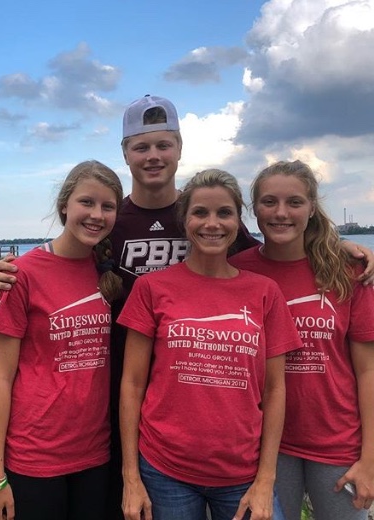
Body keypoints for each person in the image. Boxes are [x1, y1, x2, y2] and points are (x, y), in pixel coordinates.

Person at [0, 96, 374, 519]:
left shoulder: (206, 219)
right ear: (126, 154)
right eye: (141, 146)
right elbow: (64, 263)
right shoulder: (112, 222)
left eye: (163, 145)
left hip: (204, 418)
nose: (153, 156)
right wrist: (10, 271)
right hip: (122, 398)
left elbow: (278, 246)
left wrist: (337, 248)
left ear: (179, 148)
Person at [117, 169, 300, 520]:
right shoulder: (152, 289)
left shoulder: (264, 292)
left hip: (242, 472)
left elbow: (275, 389)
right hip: (164, 469)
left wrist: (266, 478)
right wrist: (131, 477)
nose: (212, 223)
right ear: (184, 221)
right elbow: (133, 384)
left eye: (224, 213)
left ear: (238, 220)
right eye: (200, 212)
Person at [229, 160, 374, 520]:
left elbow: (368, 370)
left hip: (337, 440)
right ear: (254, 210)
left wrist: (370, 457)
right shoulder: (236, 270)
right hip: (264, 443)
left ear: (311, 207)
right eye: (269, 202)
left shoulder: (348, 270)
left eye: (294, 202)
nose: (281, 213)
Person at [0, 160, 124, 520]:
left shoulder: (108, 273)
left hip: (95, 454)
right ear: (65, 205)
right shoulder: (20, 274)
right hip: (34, 457)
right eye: (86, 203)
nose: (97, 214)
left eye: (108, 206)